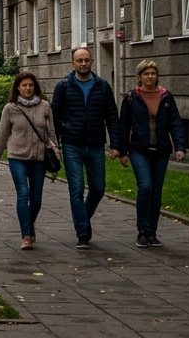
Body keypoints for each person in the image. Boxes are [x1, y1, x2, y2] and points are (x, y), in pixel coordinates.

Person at [50, 46, 120, 249]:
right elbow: (54, 116)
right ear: (73, 63)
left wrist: (116, 145)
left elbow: (112, 117)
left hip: (96, 144)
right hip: (72, 144)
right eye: (79, 60)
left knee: (98, 188)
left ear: (91, 62)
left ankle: (83, 217)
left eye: (86, 60)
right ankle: (83, 233)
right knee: (77, 188)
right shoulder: (63, 86)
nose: (83, 64)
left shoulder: (102, 86)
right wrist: (60, 137)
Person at [116, 60, 187, 248]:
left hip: (161, 150)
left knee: (156, 191)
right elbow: (123, 125)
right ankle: (142, 231)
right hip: (139, 149)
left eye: (153, 73)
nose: (150, 76)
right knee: (145, 187)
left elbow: (176, 123)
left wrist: (180, 147)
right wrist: (123, 151)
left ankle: (151, 232)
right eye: (146, 73)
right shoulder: (131, 98)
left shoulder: (166, 97)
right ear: (139, 76)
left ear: (157, 76)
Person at [0, 71, 59, 250]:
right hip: (17, 157)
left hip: (39, 158)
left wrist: (56, 152)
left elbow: (51, 132)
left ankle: (28, 223)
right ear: (18, 88)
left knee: (36, 198)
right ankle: (26, 235)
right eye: (24, 85)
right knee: (23, 193)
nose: (28, 88)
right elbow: (2, 135)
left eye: (31, 85)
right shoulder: (10, 108)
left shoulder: (45, 106)